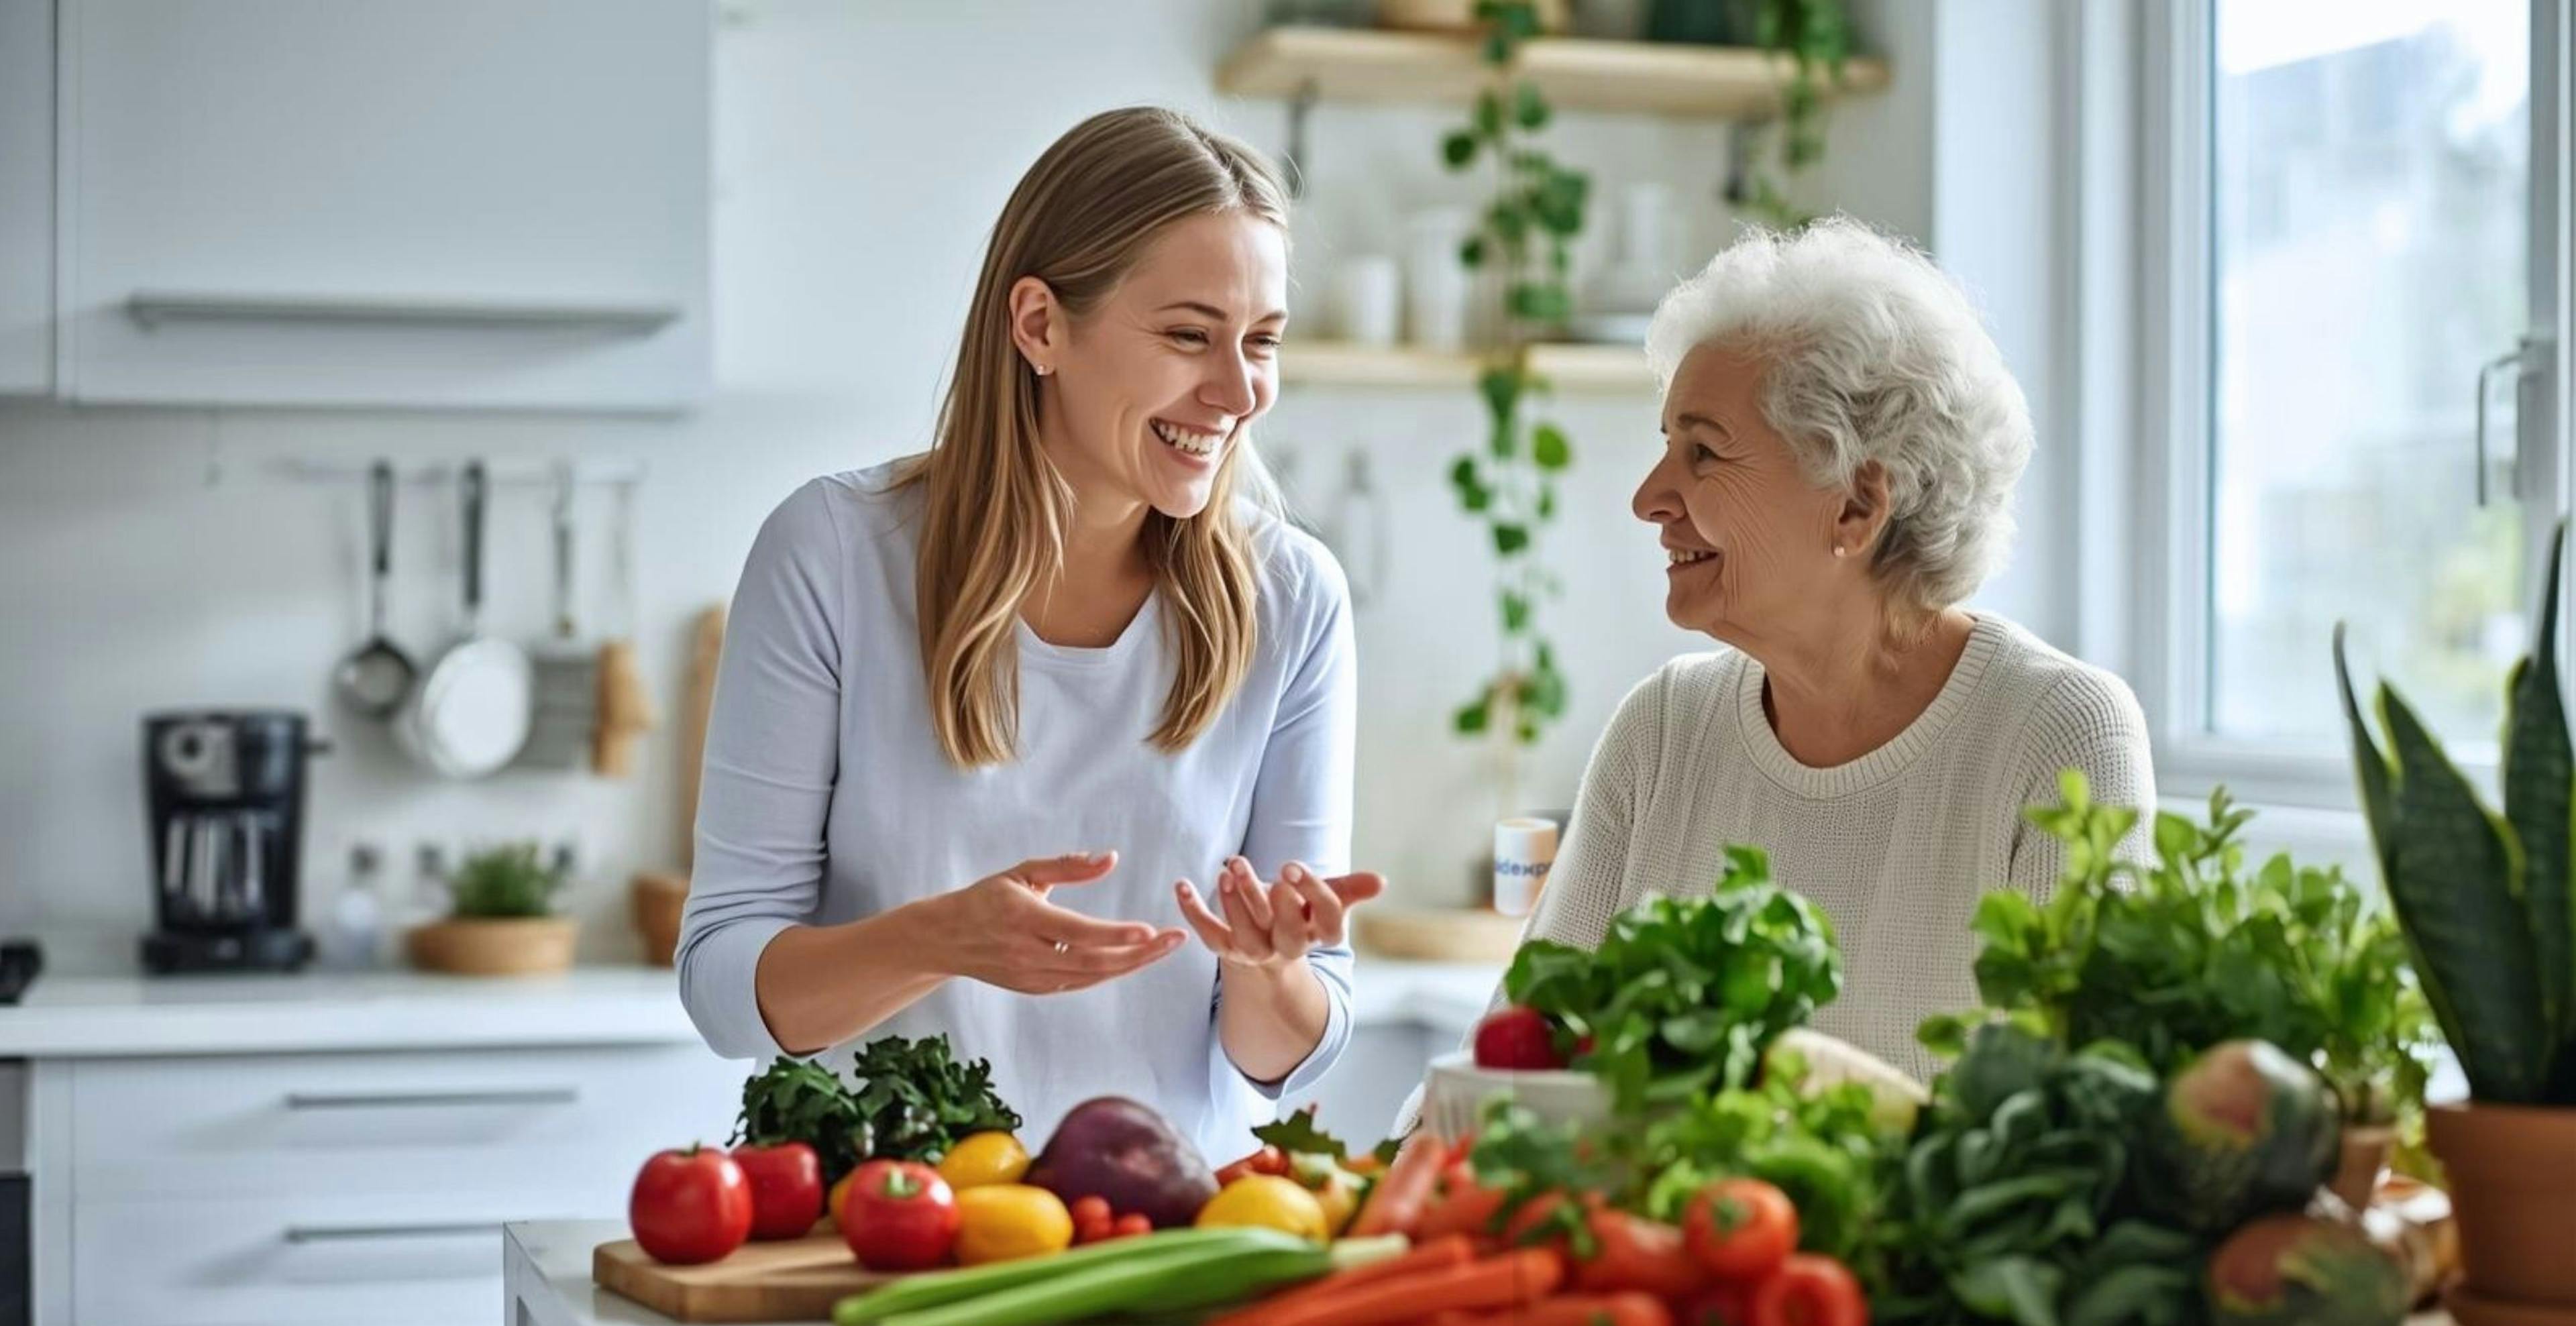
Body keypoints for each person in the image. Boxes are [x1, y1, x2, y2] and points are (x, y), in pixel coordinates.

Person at [679, 107, 1381, 1162]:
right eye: (1190, 335)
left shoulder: (1294, 598)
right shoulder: (833, 555)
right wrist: (938, 940)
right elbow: (726, 988)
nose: (1239, 392)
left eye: (1263, 342)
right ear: (1040, 325)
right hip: (882, 1231)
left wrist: (1266, 967)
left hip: (1154, 1232)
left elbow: (1280, 1055)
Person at [1423, 217, 2153, 1103]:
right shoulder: (1662, 731)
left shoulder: (2055, 736)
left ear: (1855, 503)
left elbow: (2072, 1130)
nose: (1650, 497)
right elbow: (1509, 1072)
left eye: (1703, 452)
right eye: (1665, 446)